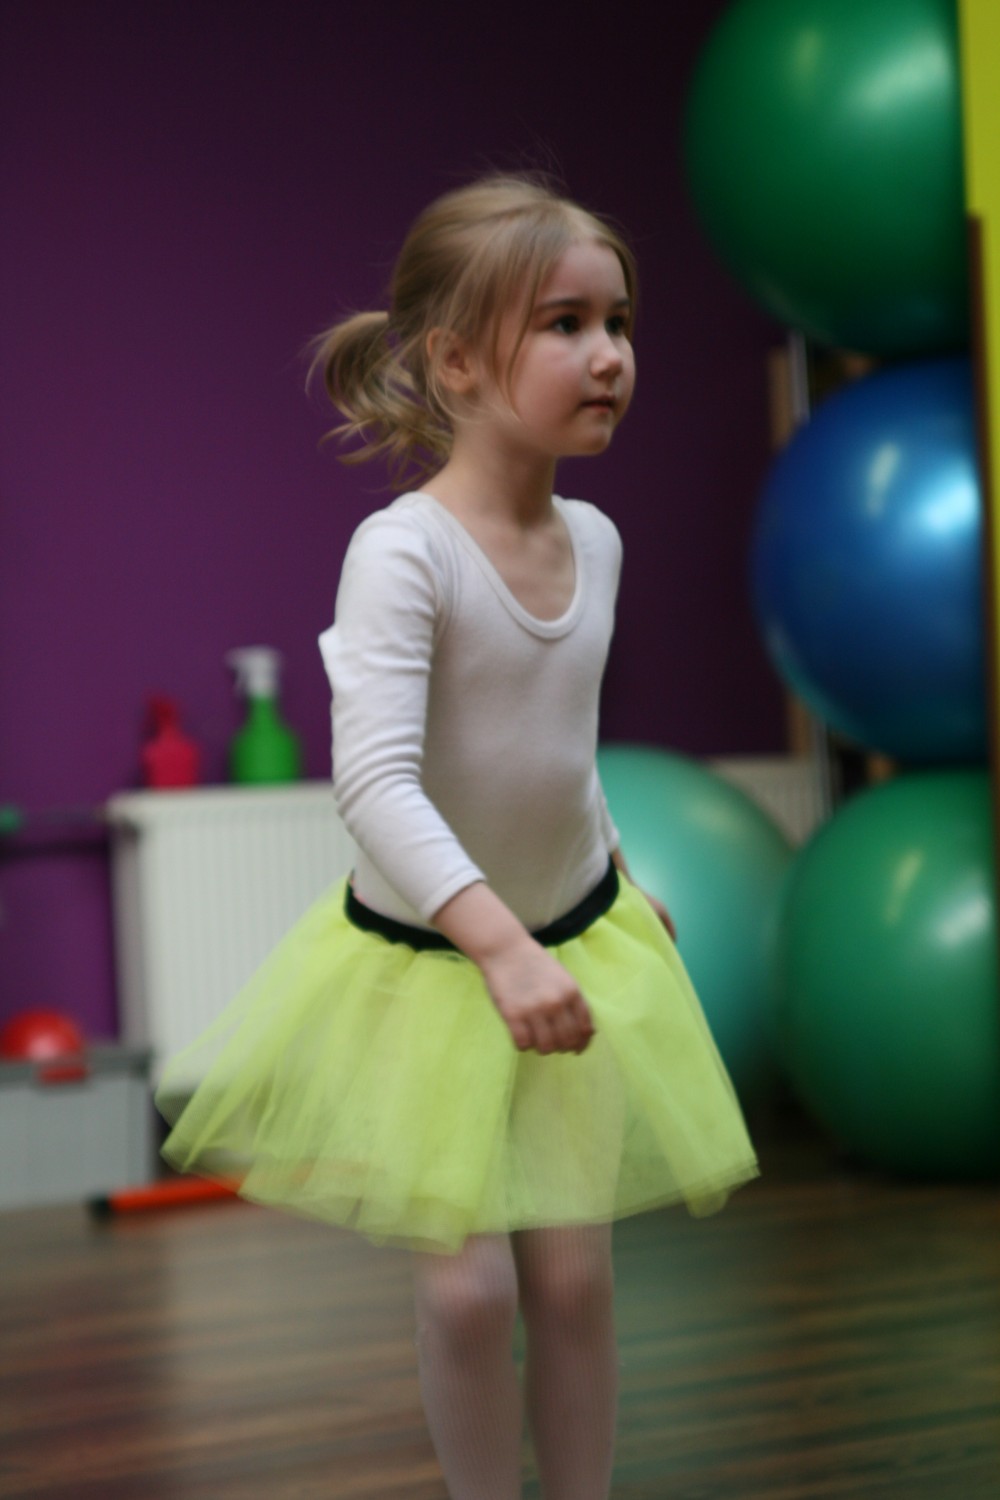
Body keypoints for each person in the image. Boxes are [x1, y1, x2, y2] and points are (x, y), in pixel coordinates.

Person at [156, 173, 759, 1500]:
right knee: (472, 1294)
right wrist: (498, 946)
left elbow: (556, 747)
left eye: (619, 321)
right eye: (565, 324)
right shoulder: (404, 553)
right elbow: (377, 785)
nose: (609, 355)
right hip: (436, 969)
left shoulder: (595, 540)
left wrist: (619, 873)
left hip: (570, 943)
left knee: (576, 1281)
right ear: (457, 362)